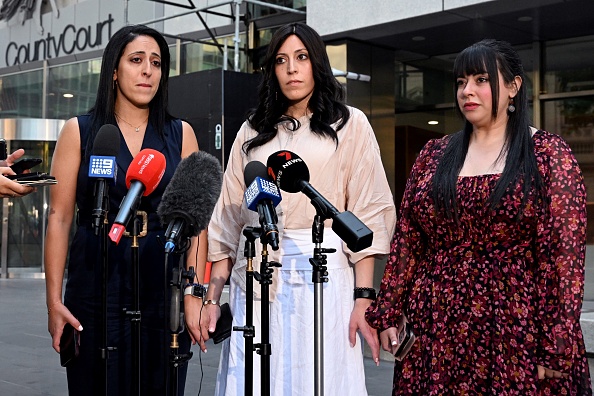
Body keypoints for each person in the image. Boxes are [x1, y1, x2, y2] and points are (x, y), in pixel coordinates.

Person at [366, 38, 592, 395]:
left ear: (514, 86)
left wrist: (556, 341)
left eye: (481, 80)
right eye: (460, 82)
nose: (467, 91)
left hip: (516, 326)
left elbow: (564, 257)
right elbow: (408, 240)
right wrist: (389, 311)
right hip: (436, 325)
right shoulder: (434, 153)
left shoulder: (548, 154)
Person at [198, 22, 396, 395]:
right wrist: (212, 297)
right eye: (282, 60)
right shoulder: (251, 130)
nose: (292, 68)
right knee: (256, 381)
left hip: (324, 276)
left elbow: (367, 214)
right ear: (272, 69)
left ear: (316, 63)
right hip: (256, 275)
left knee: (320, 379)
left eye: (302, 58)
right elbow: (227, 220)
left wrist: (364, 299)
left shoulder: (350, 124)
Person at [44, 25, 207, 395]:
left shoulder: (181, 134)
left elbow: (198, 225)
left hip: (161, 283)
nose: (148, 70)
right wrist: (53, 303)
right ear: (114, 71)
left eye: (156, 62)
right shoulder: (79, 131)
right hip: (94, 283)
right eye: (136, 60)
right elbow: (59, 218)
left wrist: (194, 294)